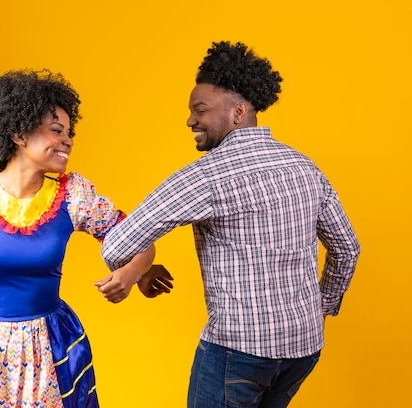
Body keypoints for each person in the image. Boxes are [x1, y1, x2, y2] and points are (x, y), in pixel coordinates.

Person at [101, 41, 361, 408]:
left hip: (237, 353)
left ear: (238, 112)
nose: (190, 120)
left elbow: (116, 245)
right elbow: (347, 248)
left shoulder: (205, 177)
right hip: (304, 348)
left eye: (200, 110)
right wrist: (321, 307)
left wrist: (138, 270)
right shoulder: (305, 167)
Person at [0, 69, 173, 408]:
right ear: (19, 134)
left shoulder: (74, 197)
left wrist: (133, 273)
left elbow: (141, 241)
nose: (68, 141)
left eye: (69, 133)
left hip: (49, 346)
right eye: (56, 131)